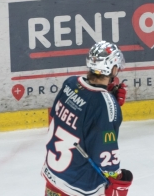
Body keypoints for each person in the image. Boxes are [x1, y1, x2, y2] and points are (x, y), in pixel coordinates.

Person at [42, 41, 133, 196]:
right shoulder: (105, 104)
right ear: (114, 69)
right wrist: (116, 178)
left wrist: (107, 102)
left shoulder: (70, 83)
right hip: (79, 188)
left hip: (53, 178)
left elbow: (59, 118)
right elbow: (106, 156)